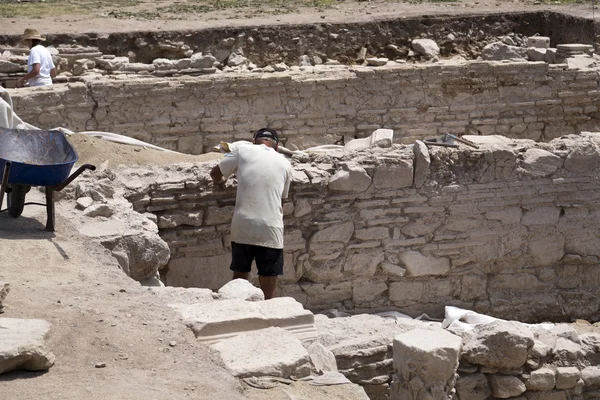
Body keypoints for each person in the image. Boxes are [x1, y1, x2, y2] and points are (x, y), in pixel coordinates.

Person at [210, 128, 292, 300]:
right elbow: (282, 197)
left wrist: (222, 181)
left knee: (239, 279)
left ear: (254, 140)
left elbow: (215, 173)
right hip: (271, 228)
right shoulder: (285, 163)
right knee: (269, 285)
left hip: (243, 224)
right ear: (276, 146)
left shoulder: (241, 149)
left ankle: (240, 314)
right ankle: (270, 317)